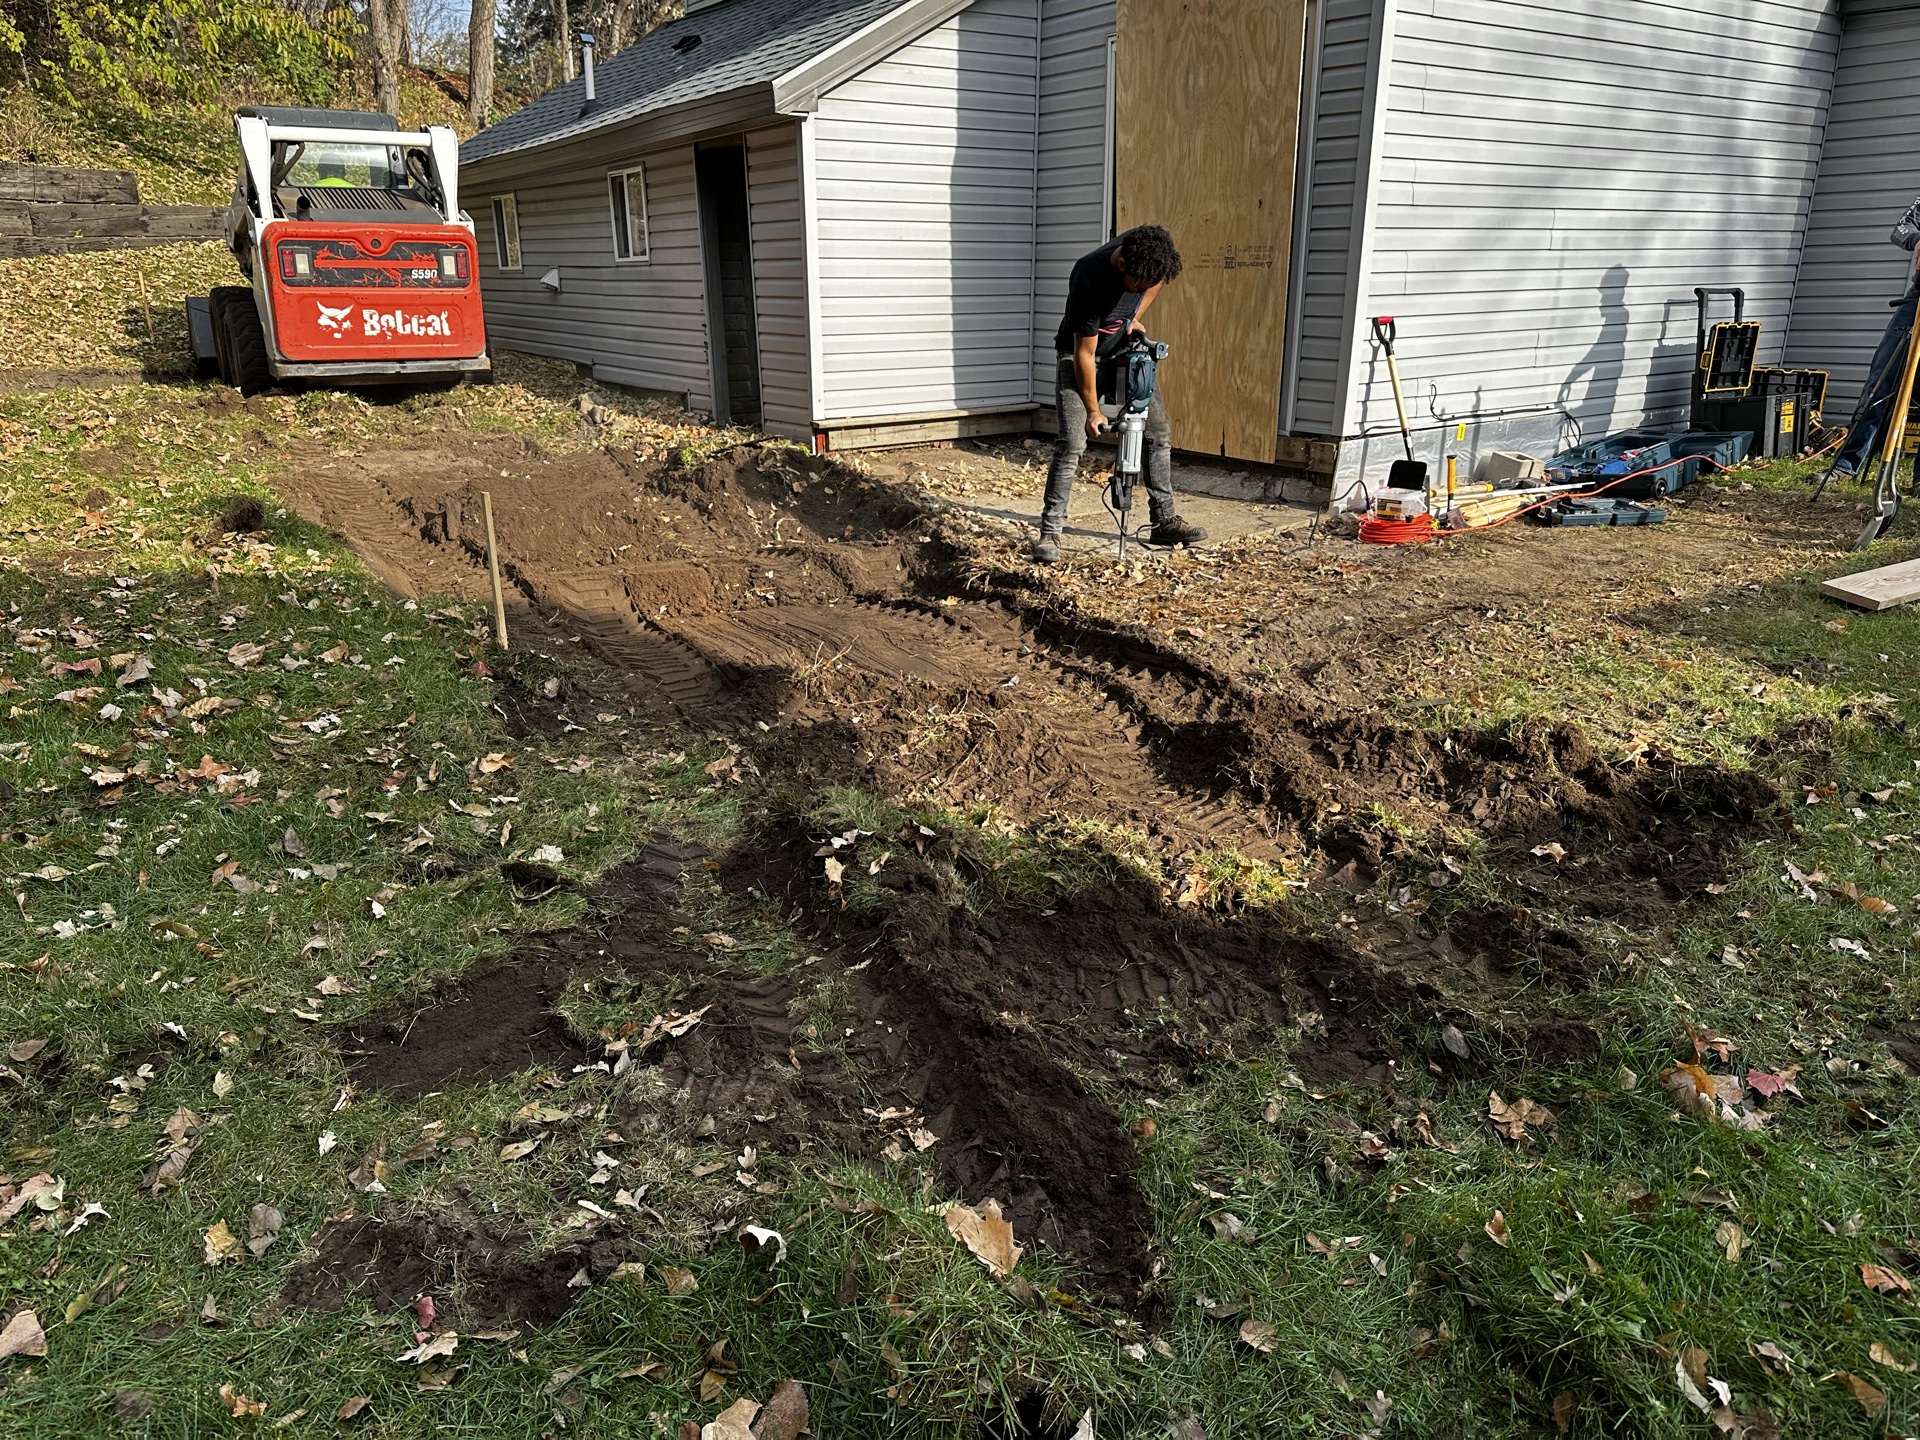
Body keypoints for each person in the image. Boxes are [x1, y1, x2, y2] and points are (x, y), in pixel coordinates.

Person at [1033, 224, 1209, 564]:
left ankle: (1164, 521)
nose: (1143, 288)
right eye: (1137, 285)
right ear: (1123, 264)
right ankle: (1050, 532)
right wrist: (1094, 411)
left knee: (1157, 434)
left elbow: (1154, 285)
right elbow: (1084, 354)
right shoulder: (1089, 274)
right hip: (1081, 354)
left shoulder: (1152, 259)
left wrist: (1133, 319)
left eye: (1149, 283)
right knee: (1072, 443)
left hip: (1125, 352)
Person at [1825, 195, 1920, 482]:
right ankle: (1846, 465)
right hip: (1916, 303)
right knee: (1880, 383)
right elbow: (1901, 228)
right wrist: (1917, 240)